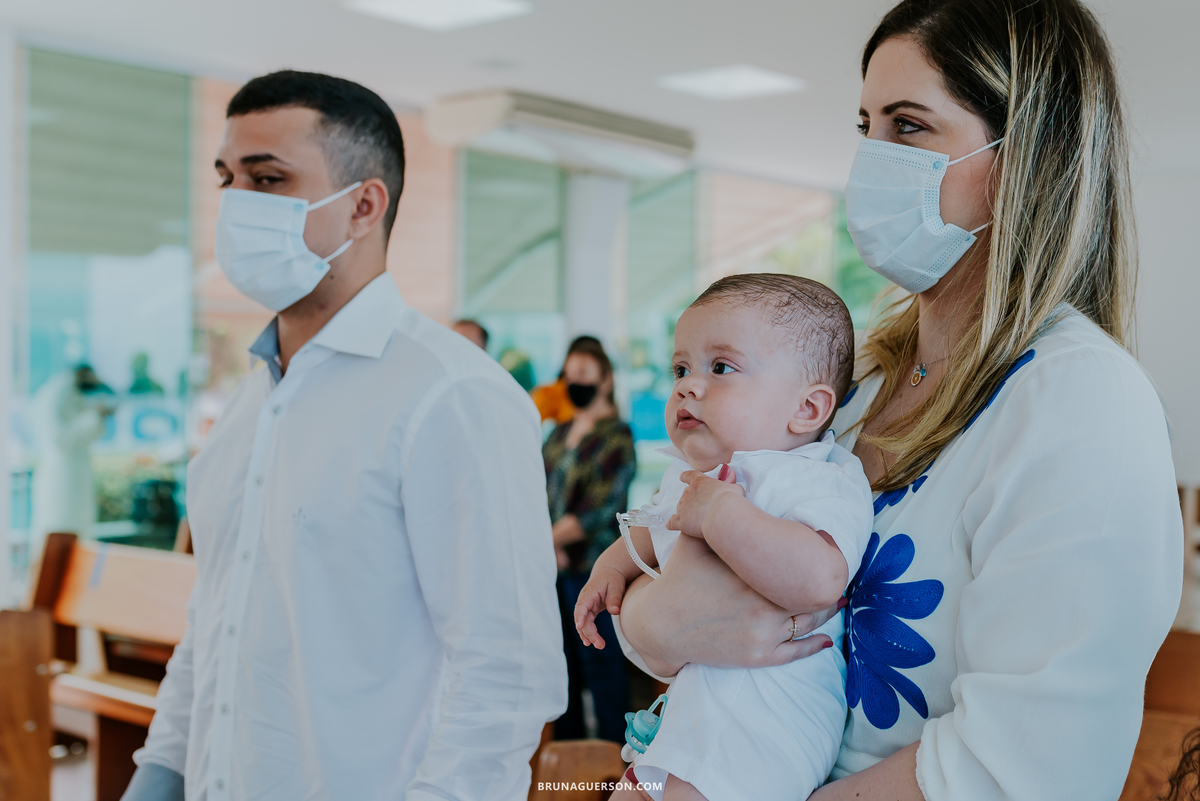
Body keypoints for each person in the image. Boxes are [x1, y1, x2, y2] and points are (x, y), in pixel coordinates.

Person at [611, 1, 1184, 799]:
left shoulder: (1080, 400)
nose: (870, 159)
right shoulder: (852, 390)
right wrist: (652, 622)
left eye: (909, 127)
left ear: (1026, 163)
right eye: (865, 125)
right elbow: (679, 576)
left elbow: (1024, 761)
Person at [121, 71, 566, 801]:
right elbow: (216, 623)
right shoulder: (249, 401)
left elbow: (507, 669)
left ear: (364, 204)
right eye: (227, 178)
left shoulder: (454, 394)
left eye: (268, 179)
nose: (237, 204)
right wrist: (161, 772)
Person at [576, 275, 872, 801]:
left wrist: (722, 518)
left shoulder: (816, 476)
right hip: (695, 719)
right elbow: (649, 530)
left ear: (807, 408)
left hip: (766, 725)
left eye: (721, 368)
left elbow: (822, 579)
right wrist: (610, 569)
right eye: (681, 369)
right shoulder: (694, 474)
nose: (687, 385)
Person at [543, 335, 637, 742]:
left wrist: (552, 541)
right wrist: (549, 546)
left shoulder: (617, 435)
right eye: (569, 374)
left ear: (605, 380)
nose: (573, 381)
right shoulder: (558, 432)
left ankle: (616, 763)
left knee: (600, 663)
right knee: (560, 664)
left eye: (584, 374)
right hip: (554, 565)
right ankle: (568, 763)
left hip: (594, 566)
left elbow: (603, 506)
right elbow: (536, 488)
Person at [29, 364, 115, 552]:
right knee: (62, 529)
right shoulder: (60, 392)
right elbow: (60, 441)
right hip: (63, 477)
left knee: (75, 531)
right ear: (82, 374)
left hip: (70, 473)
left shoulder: (66, 392)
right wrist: (95, 414)